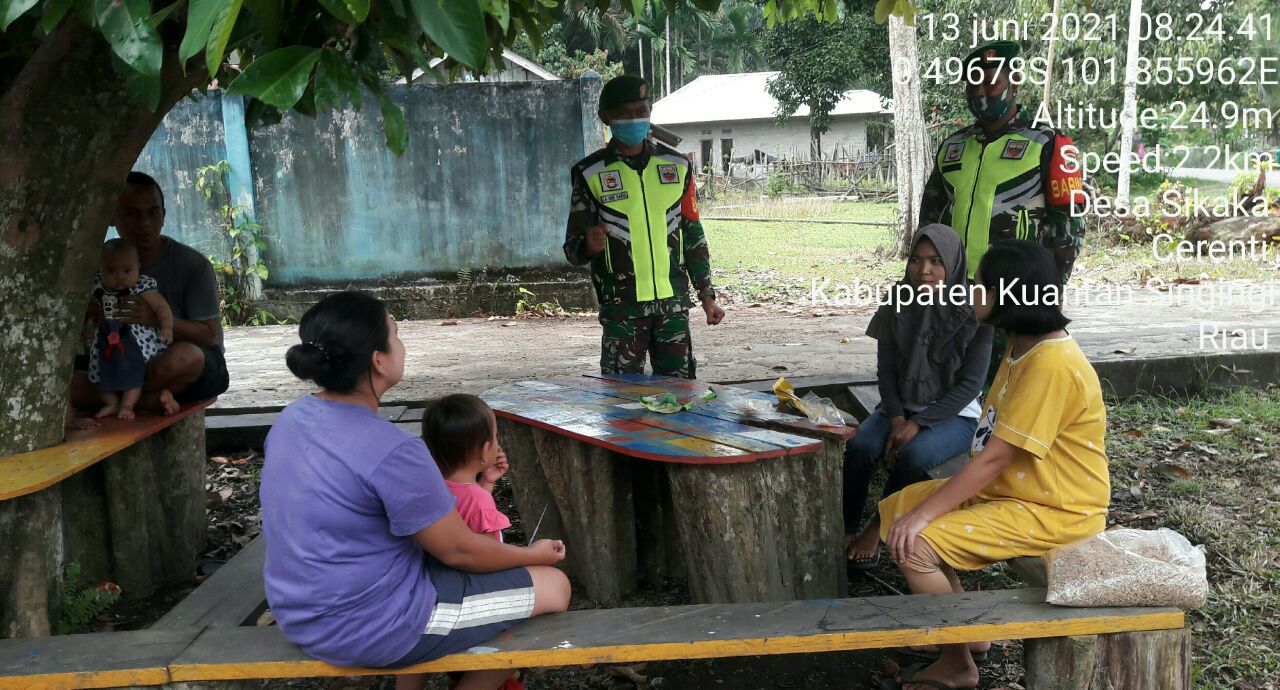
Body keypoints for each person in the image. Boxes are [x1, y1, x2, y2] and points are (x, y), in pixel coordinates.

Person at [260, 292, 571, 690]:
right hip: (371, 627)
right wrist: (533, 554)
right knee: (554, 587)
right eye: (396, 333)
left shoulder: (292, 419)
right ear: (378, 359)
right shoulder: (393, 450)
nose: (401, 343)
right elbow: (460, 550)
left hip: (299, 613)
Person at [878, 241, 1110, 690]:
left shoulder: (1052, 362)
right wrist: (922, 509)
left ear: (1010, 293)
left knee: (917, 541)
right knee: (901, 508)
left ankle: (957, 664)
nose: (970, 293)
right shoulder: (1022, 345)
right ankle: (969, 632)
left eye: (980, 285)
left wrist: (929, 514)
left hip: (1057, 511)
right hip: (1018, 494)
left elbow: (1000, 455)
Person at [843, 225, 991, 571]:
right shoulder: (898, 301)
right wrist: (896, 418)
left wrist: (919, 423)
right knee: (861, 447)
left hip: (955, 415)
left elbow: (969, 386)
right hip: (898, 407)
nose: (924, 271)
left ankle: (877, 528)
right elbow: (887, 370)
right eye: (916, 260)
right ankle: (846, 526)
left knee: (914, 456)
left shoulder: (975, 311)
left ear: (953, 264)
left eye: (936, 261)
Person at [564, 74, 725, 379]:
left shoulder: (677, 166)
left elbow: (692, 235)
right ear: (605, 118)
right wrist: (588, 244)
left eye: (641, 111)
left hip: (672, 309)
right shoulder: (589, 173)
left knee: (679, 398)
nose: (633, 120)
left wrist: (706, 295)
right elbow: (572, 248)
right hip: (621, 311)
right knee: (620, 401)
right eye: (623, 115)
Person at [920, 41, 1085, 284]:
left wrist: (1054, 289)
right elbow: (929, 221)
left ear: (1014, 81)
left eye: (990, 83)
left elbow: (1068, 228)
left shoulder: (1050, 142)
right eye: (972, 84)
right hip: (955, 288)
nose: (980, 92)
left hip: (1018, 290)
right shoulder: (952, 146)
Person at [72, 172, 229, 409]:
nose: (144, 223)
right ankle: (145, 401)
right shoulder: (95, 264)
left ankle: (124, 400)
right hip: (113, 361)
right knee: (64, 380)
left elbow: (210, 337)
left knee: (186, 358)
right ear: (112, 217)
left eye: (152, 213)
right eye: (131, 213)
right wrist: (88, 314)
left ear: (163, 217)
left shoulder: (192, 264)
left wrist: (155, 319)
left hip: (172, 365)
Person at [88, 239, 177, 419]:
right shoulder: (98, 287)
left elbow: (161, 307)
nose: (119, 277)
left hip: (135, 343)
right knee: (98, 373)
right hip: (105, 343)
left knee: (133, 372)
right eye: (111, 271)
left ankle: (127, 405)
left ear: (138, 267)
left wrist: (167, 327)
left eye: (127, 271)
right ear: (100, 269)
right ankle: (111, 403)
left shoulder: (142, 286)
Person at [423, 394, 514, 543]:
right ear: (484, 451)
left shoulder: (431, 485)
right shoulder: (479, 501)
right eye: (495, 436)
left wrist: (486, 482)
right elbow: (490, 555)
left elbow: (468, 506)